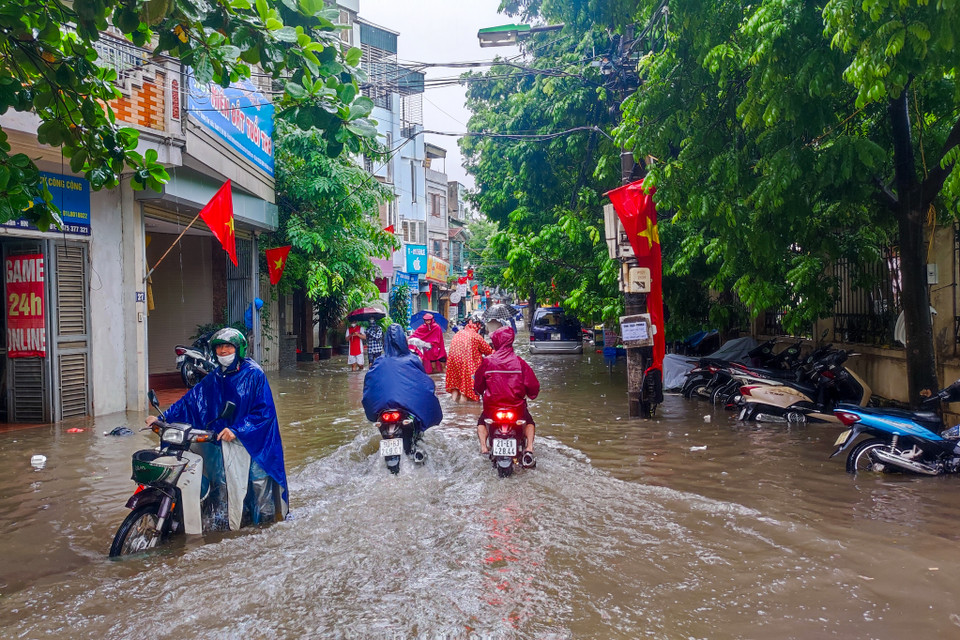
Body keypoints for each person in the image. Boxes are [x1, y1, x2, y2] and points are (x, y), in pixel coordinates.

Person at [146, 327, 288, 530]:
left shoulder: (254, 374)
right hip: (225, 442)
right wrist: (162, 418)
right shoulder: (215, 377)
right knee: (222, 483)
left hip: (256, 442)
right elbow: (190, 401)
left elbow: (264, 412)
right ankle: (224, 524)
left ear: (238, 349)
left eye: (228, 347)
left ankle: (263, 530)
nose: (223, 352)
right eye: (219, 347)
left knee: (258, 485)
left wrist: (238, 429)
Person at [474, 326, 540, 467]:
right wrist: (531, 395)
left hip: (492, 409)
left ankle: (484, 448)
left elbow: (478, 384)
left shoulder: (488, 361)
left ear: (496, 342)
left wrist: (478, 391)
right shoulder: (520, 362)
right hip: (516, 410)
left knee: (481, 422)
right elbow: (533, 386)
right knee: (529, 422)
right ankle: (529, 448)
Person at [362, 324, 443, 432]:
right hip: (407, 408)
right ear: (403, 340)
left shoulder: (378, 362)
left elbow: (368, 386)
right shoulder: (412, 359)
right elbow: (424, 383)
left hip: (383, 409)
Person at [445, 315, 493, 403]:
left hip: (452, 363)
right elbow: (488, 351)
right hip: (467, 364)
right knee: (465, 390)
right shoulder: (476, 336)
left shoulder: (459, 333)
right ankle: (464, 410)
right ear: (477, 325)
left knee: (455, 387)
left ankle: (453, 406)